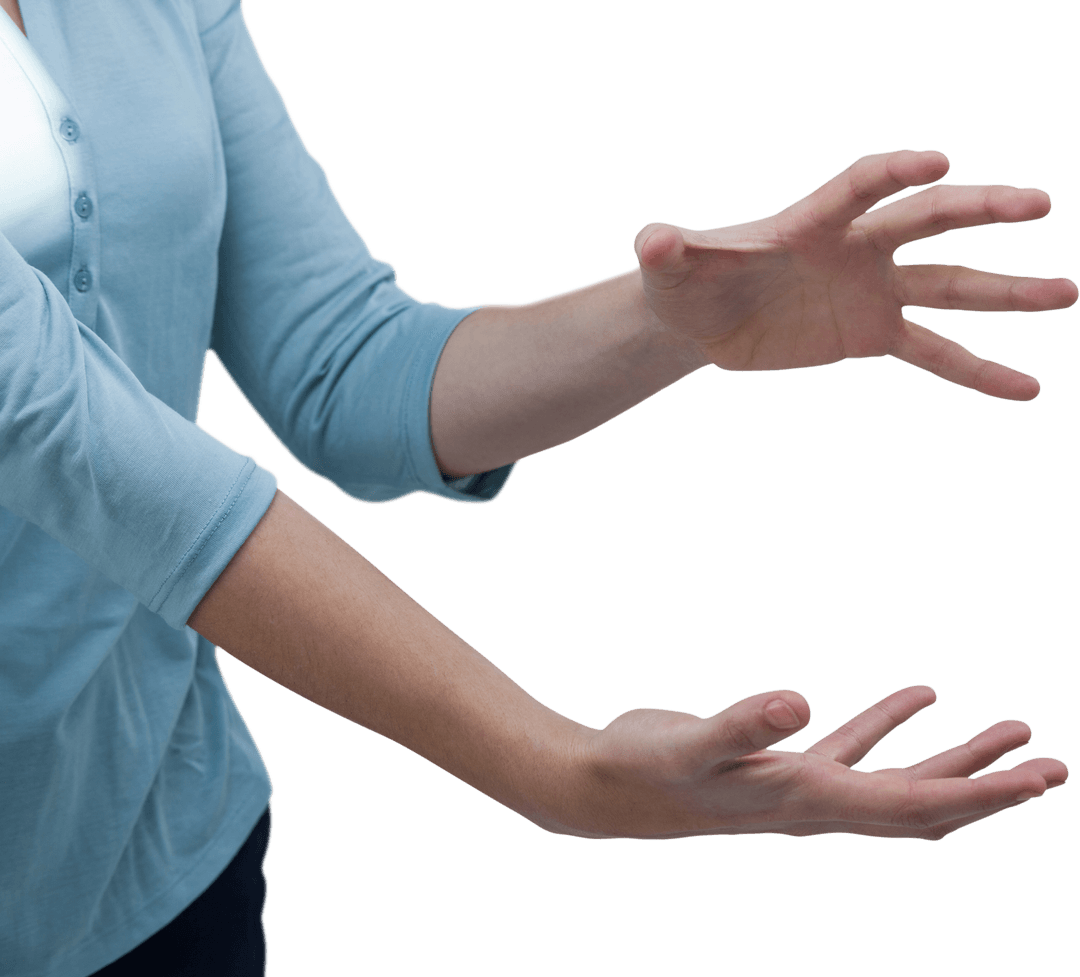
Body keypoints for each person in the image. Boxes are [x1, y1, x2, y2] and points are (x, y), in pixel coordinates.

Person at [0, 1, 1072, 975]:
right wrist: (555, 764)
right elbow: (75, 440)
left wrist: (674, 322)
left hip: (158, 854)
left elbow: (339, 360)